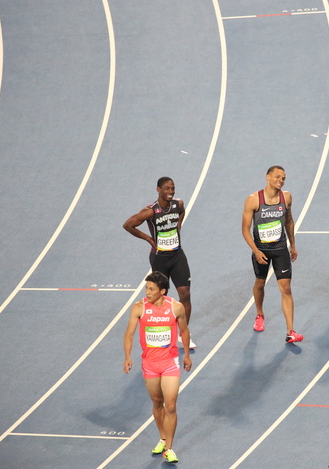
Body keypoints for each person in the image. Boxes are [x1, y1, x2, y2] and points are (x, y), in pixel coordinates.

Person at [123, 271, 192, 464]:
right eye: (146, 288)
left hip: (170, 363)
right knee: (157, 403)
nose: (147, 292)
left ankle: (169, 448)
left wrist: (186, 354)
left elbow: (184, 331)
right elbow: (129, 334)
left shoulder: (176, 308)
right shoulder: (139, 308)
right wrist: (127, 356)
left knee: (170, 406)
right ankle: (162, 437)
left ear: (162, 291)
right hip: (150, 364)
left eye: (151, 289)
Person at [123, 177, 196, 348]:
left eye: (173, 188)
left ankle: (183, 333)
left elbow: (182, 211)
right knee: (158, 297)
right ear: (158, 190)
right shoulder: (151, 211)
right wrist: (149, 239)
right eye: (167, 189)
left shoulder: (178, 205)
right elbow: (128, 225)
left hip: (177, 255)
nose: (171, 192)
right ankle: (159, 334)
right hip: (159, 258)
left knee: (185, 294)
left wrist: (178, 225)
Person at [241, 165, 303, 343]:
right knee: (260, 284)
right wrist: (256, 251)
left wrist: (293, 245)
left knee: (286, 289)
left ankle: (290, 331)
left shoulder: (286, 197)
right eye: (277, 177)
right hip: (261, 251)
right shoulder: (253, 200)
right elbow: (245, 230)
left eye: (283, 178)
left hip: (280, 249)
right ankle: (259, 314)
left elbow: (289, 221)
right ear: (267, 177)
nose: (280, 181)